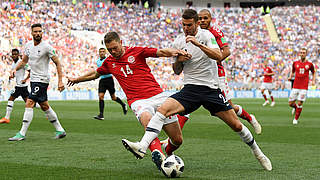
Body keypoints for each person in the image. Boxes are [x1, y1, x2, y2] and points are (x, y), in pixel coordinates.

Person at [122, 9, 272, 172]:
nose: (186, 28)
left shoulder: (207, 36)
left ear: (196, 23)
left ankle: (259, 154)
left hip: (210, 89)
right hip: (190, 89)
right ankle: (142, 146)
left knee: (236, 125)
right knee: (163, 110)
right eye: (183, 25)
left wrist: (198, 44)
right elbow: (176, 70)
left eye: (189, 25)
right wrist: (179, 60)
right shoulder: (179, 41)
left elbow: (218, 55)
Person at [67, 31, 190, 170]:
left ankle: (167, 152)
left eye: (115, 48)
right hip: (138, 101)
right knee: (147, 121)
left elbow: (160, 52)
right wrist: (77, 79)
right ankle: (158, 156)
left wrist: (175, 52)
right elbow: (95, 73)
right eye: (109, 50)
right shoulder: (109, 62)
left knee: (177, 139)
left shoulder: (136, 52)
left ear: (121, 42)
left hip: (158, 96)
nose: (113, 52)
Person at [197, 9, 261, 134]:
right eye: (200, 18)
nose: (202, 21)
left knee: (228, 108)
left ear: (210, 19)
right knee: (187, 105)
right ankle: (172, 139)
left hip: (217, 75)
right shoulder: (196, 32)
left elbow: (226, 51)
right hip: (201, 75)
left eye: (205, 18)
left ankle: (249, 118)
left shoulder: (215, 32)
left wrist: (214, 59)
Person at [8, 23, 66, 141]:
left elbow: (58, 63)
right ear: (31, 33)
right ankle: (60, 130)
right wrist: (14, 69)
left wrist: (60, 81)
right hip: (34, 80)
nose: (38, 33)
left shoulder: (47, 47)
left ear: (42, 32)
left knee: (29, 102)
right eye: (35, 31)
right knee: (44, 105)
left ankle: (22, 133)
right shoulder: (28, 46)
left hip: (42, 80)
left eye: (40, 31)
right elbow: (24, 62)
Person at [93, 47, 127, 120]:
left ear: (105, 53)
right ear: (99, 53)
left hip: (109, 79)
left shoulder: (108, 59)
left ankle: (123, 104)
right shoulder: (97, 61)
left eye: (103, 51)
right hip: (102, 80)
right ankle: (101, 115)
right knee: (101, 96)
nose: (102, 53)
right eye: (100, 52)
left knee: (113, 98)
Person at [0, 49, 31, 124]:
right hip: (19, 86)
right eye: (13, 54)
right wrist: (12, 76)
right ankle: (46, 110)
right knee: (30, 103)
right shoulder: (14, 64)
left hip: (21, 86)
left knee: (11, 99)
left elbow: (30, 71)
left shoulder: (22, 62)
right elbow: (16, 74)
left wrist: (25, 79)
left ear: (18, 54)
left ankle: (7, 118)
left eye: (15, 54)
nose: (14, 56)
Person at [288, 48, 316, 125]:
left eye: (304, 53)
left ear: (306, 54)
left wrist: (313, 80)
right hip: (295, 85)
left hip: (304, 87)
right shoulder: (295, 63)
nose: (302, 54)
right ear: (299, 54)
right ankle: (295, 108)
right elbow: (293, 71)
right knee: (290, 103)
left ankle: (295, 119)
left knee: (300, 103)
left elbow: (314, 72)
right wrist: (291, 76)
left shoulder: (309, 64)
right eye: (301, 53)